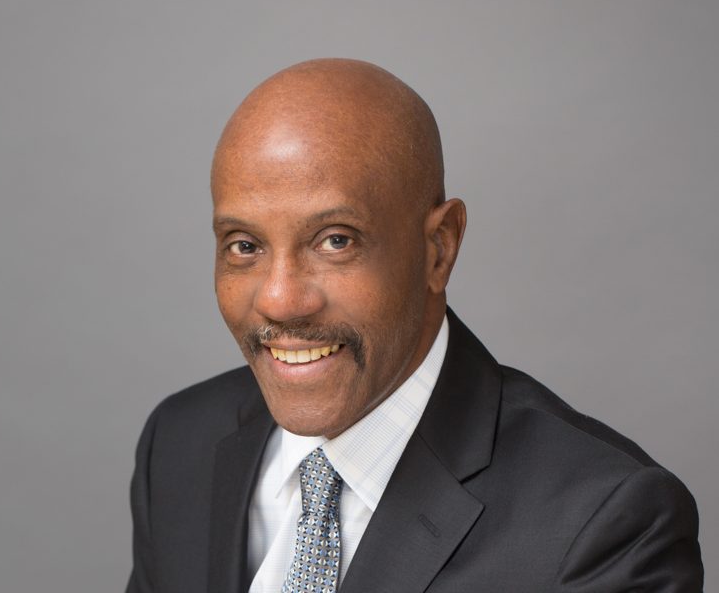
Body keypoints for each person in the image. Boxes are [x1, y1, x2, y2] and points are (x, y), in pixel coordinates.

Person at [125, 59, 703, 592]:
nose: (280, 300)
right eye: (245, 246)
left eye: (335, 240)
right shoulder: (178, 445)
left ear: (438, 248)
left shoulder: (604, 523)